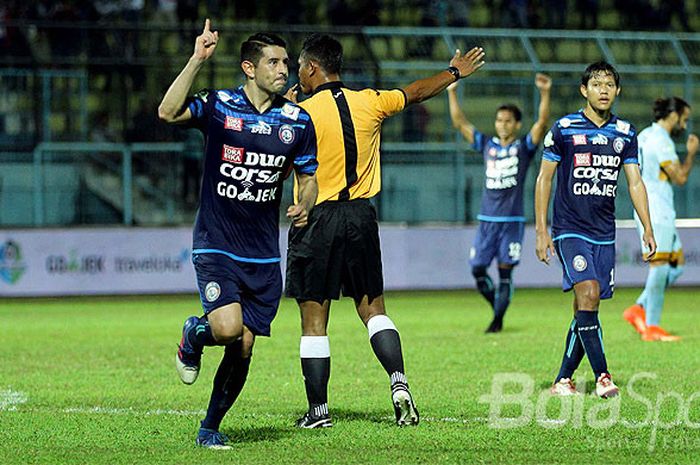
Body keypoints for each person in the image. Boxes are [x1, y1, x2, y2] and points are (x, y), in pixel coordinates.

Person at [284, 33, 485, 428]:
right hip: (360, 217)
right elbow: (415, 93)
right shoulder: (370, 101)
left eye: (301, 69)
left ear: (311, 68)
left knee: (314, 320)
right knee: (374, 310)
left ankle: (318, 412)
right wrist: (452, 72)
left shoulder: (300, 113)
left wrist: (285, 111)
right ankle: (399, 384)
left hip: (317, 218)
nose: (299, 75)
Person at [158, 20, 319, 449]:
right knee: (227, 329)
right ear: (249, 68)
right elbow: (167, 112)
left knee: (244, 345)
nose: (283, 68)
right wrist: (197, 59)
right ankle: (195, 334)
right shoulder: (221, 105)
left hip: (264, 254)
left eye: (286, 61)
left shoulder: (298, 121)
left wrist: (306, 202)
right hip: (217, 242)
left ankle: (210, 426)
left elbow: (309, 177)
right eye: (273, 61)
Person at [535, 61, 656, 398]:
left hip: (604, 233)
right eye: (597, 84)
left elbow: (634, 182)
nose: (604, 90)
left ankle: (563, 379)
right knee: (587, 291)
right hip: (569, 228)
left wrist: (647, 227)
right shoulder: (564, 128)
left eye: (610, 85)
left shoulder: (626, 133)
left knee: (585, 308)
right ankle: (604, 375)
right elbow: (544, 178)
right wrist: (541, 230)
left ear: (617, 91)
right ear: (583, 90)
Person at [447, 73, 552, 333]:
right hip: (486, 220)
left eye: (508, 121)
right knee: (478, 269)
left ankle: (497, 320)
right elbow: (460, 123)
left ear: (516, 125)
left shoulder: (523, 148)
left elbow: (541, 123)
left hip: (511, 222)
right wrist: (451, 91)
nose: (502, 125)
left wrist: (545, 93)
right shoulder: (487, 145)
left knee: (505, 272)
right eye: (499, 120)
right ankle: (497, 305)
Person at [623, 97, 698, 341]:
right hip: (656, 209)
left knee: (676, 267)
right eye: (684, 119)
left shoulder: (644, 135)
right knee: (661, 266)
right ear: (673, 115)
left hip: (651, 205)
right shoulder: (662, 141)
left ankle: (639, 308)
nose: (684, 125)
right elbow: (680, 178)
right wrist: (691, 153)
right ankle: (652, 326)